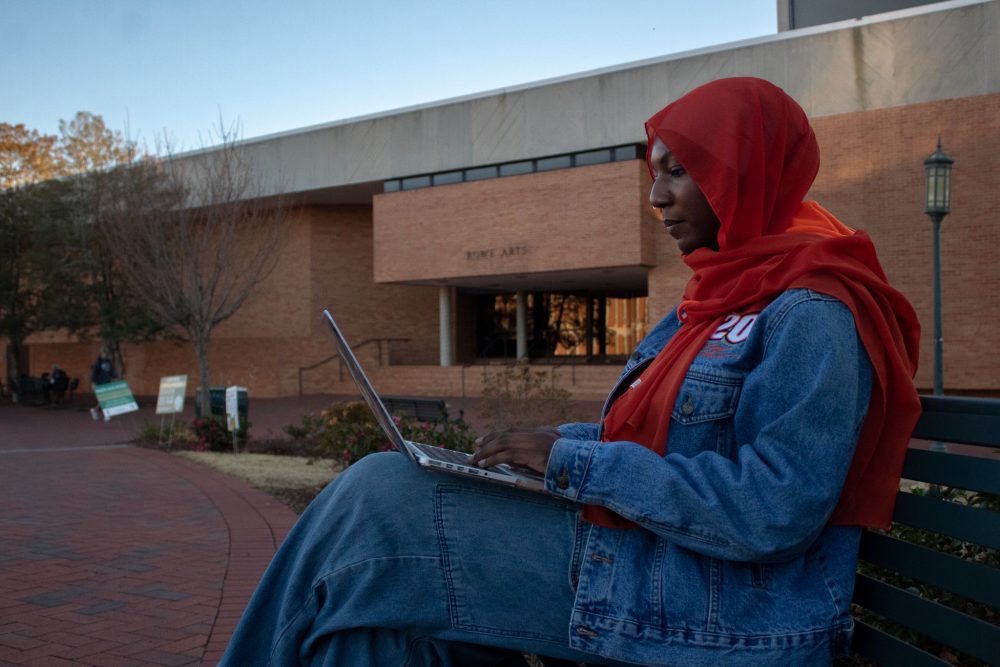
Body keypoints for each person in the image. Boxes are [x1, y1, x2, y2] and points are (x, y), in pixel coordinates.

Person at [220, 78, 921, 666]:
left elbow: (776, 508)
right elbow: (653, 442)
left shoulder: (814, 307)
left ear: (746, 169)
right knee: (373, 630)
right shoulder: (715, 297)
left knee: (376, 497)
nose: (657, 197)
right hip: (652, 561)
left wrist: (574, 465)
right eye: (656, 171)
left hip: (732, 610)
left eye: (680, 170)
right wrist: (555, 444)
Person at [89, 350, 117, 420]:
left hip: (107, 382)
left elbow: (111, 371)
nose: (105, 355)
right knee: (104, 398)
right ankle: (106, 414)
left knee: (104, 399)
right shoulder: (98, 362)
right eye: (104, 353)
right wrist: (93, 382)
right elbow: (94, 372)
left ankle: (95, 410)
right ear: (101, 354)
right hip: (100, 382)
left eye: (107, 353)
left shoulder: (109, 362)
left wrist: (115, 377)